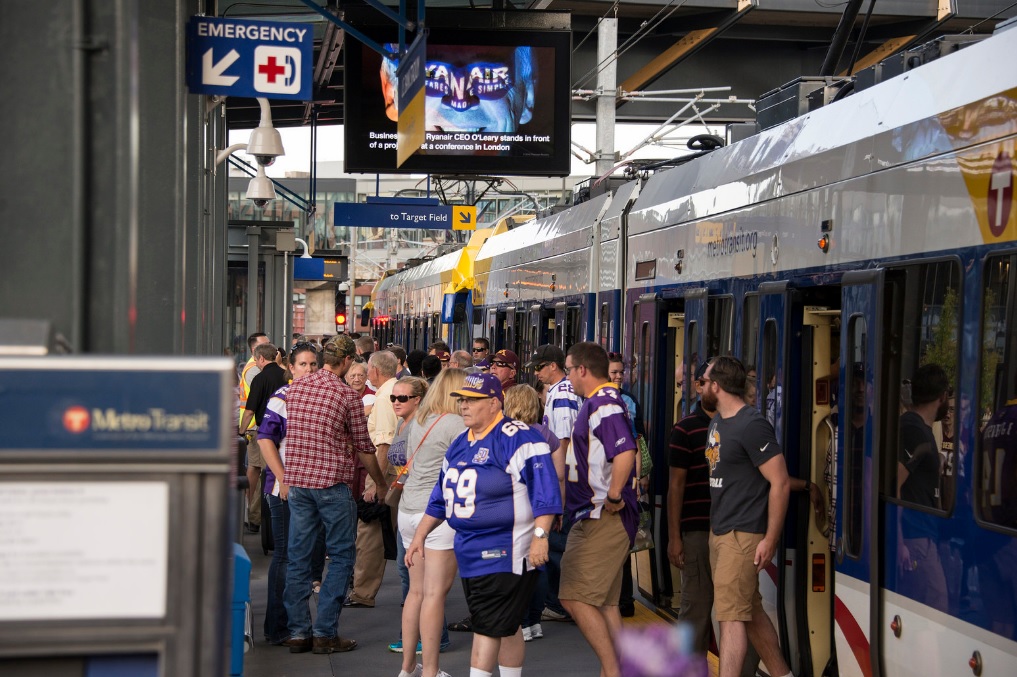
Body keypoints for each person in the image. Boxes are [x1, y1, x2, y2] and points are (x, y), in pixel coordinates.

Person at [406, 372, 562, 677]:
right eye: (462, 399)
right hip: (471, 551)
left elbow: (546, 492)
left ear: (494, 403)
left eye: (472, 400)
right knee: (505, 623)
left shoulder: (519, 437)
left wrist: (541, 535)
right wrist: (419, 535)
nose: (464, 406)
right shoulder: (460, 444)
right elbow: (441, 497)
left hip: (505, 550)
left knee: (487, 626)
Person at [271, 335, 388, 655]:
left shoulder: (295, 390)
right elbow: (365, 448)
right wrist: (379, 482)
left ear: (324, 358)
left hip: (299, 486)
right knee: (340, 557)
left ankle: (298, 632)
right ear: (348, 360)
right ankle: (324, 632)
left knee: (298, 557)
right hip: (332, 487)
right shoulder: (345, 395)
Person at [702, 355, 792, 677]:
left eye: (706, 379)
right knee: (749, 612)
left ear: (718, 385)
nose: (701, 385)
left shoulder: (751, 424)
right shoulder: (718, 421)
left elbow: (779, 482)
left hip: (742, 536)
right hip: (722, 532)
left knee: (730, 618)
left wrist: (770, 538)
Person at [559, 342, 638, 677]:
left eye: (568, 369)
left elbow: (625, 451)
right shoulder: (601, 402)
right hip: (598, 514)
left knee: (574, 597)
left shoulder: (603, 403)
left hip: (601, 516)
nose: (567, 377)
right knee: (605, 602)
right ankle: (619, 668)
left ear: (582, 370)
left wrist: (615, 494)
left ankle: (612, 670)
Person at [397, 369, 467, 677]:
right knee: (435, 594)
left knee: (416, 593)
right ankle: (431, 672)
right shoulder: (458, 424)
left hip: (408, 509)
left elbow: (409, 462)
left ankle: (408, 667)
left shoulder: (420, 420)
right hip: (437, 515)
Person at [256, 343, 319, 646]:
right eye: (302, 365)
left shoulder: (315, 396)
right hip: (283, 488)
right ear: (291, 369)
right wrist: (283, 479)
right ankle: (277, 627)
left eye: (313, 364)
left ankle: (291, 625)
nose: (308, 370)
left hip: (307, 487)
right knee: (285, 555)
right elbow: (265, 439)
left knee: (299, 556)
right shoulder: (282, 398)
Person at [527, 344, 581, 622]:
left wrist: (557, 500)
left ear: (553, 366)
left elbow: (562, 449)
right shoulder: (560, 393)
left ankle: (561, 603)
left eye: (539, 367)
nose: (537, 374)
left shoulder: (560, 397)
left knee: (558, 546)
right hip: (570, 482)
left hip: (567, 485)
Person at [504, 384, 560, 643]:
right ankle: (534, 620)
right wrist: (557, 509)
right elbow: (559, 475)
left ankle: (521, 621)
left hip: (515, 511)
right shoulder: (546, 435)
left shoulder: (505, 435)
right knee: (538, 564)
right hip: (542, 510)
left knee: (517, 568)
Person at [347, 350, 401, 609]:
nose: (366, 375)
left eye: (368, 370)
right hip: (397, 472)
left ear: (376, 371)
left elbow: (383, 444)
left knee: (368, 534)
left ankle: (362, 593)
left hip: (385, 473)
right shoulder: (396, 390)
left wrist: (375, 484)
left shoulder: (382, 400)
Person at [897, 363, 950, 613]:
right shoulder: (913, 430)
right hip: (914, 537)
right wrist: (899, 543)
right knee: (936, 608)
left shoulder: (920, 430)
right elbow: (894, 484)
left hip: (923, 535)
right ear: (942, 397)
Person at [607, 352, 645, 618]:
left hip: (621, 481)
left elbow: (637, 443)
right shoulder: (593, 400)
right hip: (602, 480)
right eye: (613, 373)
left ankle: (623, 599)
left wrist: (638, 479)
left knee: (621, 543)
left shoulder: (629, 401)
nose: (619, 377)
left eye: (621, 372)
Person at [239, 332, 270, 532]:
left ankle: (252, 513)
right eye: (266, 345)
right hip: (254, 427)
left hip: (252, 426)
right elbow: (258, 400)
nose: (271, 347)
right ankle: (252, 513)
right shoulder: (254, 370)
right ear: (255, 350)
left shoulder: (253, 368)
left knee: (256, 469)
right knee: (257, 469)